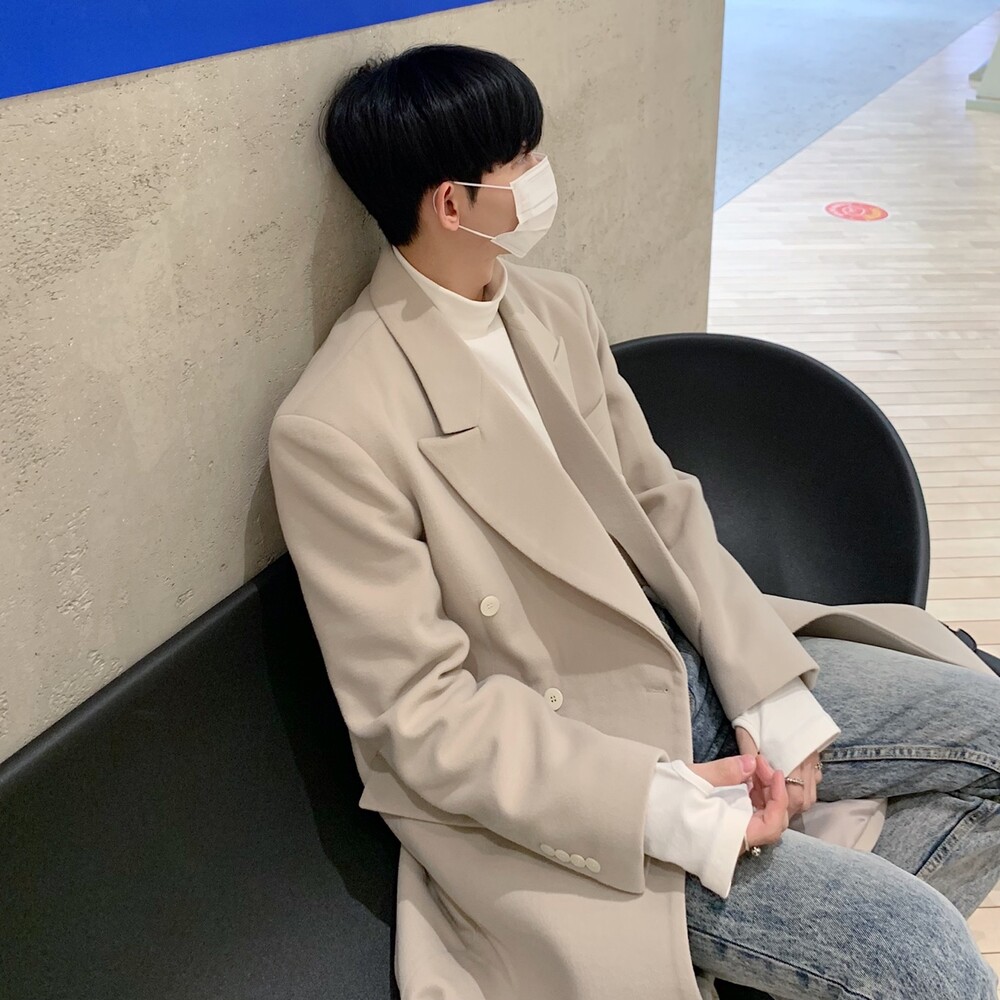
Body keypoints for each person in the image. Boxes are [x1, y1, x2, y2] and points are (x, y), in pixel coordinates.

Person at [267, 43, 1000, 1000]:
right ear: (453, 203)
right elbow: (422, 719)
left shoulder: (552, 308)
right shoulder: (336, 423)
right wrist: (676, 810)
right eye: (523, 158)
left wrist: (771, 698)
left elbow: (662, 505)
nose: (543, 173)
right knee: (926, 954)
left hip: (686, 666)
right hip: (589, 779)